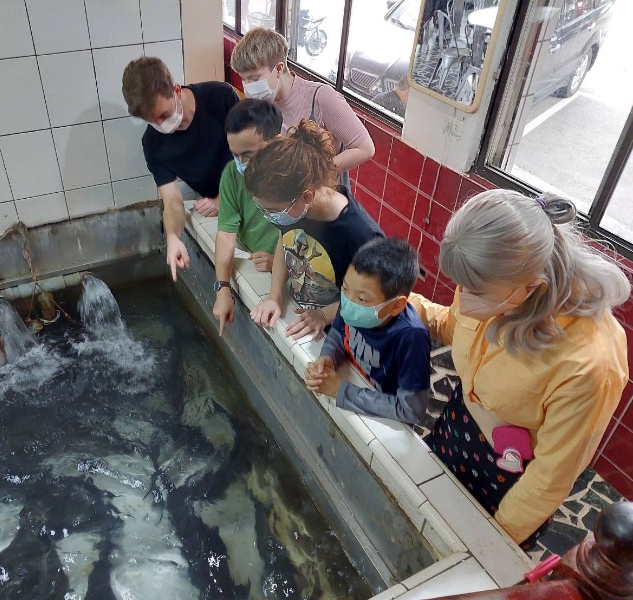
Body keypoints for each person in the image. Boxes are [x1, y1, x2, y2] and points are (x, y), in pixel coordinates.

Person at [410, 190, 630, 548]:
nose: (464, 298)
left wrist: (493, 543)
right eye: (461, 285)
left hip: (511, 477)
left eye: (476, 291)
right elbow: (456, 325)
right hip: (456, 428)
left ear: (532, 287)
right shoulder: (494, 283)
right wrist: (405, 306)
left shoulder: (590, 363)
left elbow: (550, 475)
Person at [246, 119, 383, 340]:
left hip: (344, 333)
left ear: (307, 195)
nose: (269, 216)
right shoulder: (295, 208)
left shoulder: (361, 236)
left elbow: (375, 301)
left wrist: (323, 315)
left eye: (272, 210)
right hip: (305, 307)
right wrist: (275, 297)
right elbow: (285, 241)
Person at [121, 57, 240, 280]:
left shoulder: (221, 97)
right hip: (223, 210)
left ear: (176, 90)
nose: (161, 125)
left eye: (164, 115)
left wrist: (223, 200)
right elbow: (172, 202)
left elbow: (256, 159)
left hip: (253, 196)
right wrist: (173, 237)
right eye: (152, 121)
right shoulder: (153, 144)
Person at [305, 237, 431, 425]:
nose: (348, 302)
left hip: (385, 416)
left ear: (396, 306)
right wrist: (328, 357)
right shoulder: (353, 301)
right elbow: (339, 334)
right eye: (345, 288)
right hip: (355, 384)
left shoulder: (411, 338)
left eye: (362, 299)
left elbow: (411, 410)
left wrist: (341, 390)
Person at [230, 28, 375, 187]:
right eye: (244, 80)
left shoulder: (321, 97)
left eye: (254, 78)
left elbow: (364, 148)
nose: (249, 87)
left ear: (278, 69)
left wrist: (312, 178)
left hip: (323, 200)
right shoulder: (262, 105)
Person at [213, 99, 282, 336]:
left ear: (274, 144)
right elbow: (225, 234)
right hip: (264, 264)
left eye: (248, 155)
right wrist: (222, 288)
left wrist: (280, 264)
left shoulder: (292, 177)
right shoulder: (233, 174)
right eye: (235, 155)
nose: (241, 163)